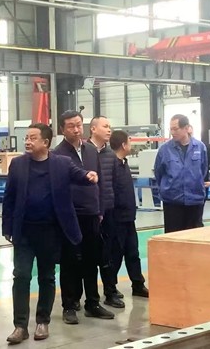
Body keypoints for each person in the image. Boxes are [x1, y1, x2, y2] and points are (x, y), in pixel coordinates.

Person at [2, 123, 99, 344]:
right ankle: (20, 326)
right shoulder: (18, 164)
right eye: (26, 138)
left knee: (47, 276)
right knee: (21, 276)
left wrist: (89, 176)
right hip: (24, 232)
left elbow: (79, 175)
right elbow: (9, 198)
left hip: (50, 232)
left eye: (32, 138)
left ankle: (42, 321)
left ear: (45, 142)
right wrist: (7, 227)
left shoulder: (61, 163)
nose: (27, 142)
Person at [54, 110, 115, 324]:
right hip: (71, 216)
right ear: (62, 129)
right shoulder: (58, 154)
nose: (76, 129)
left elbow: (100, 182)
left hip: (91, 214)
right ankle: (69, 305)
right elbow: (58, 188)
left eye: (79, 125)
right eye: (71, 126)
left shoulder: (90, 150)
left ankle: (92, 303)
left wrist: (100, 210)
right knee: (70, 262)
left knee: (91, 260)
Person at [87, 116, 124, 309]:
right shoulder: (84, 152)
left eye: (110, 126)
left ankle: (110, 291)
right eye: (105, 126)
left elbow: (115, 183)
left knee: (109, 254)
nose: (109, 130)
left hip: (108, 210)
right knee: (89, 255)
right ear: (93, 129)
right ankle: (86, 297)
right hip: (90, 212)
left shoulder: (111, 155)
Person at [107, 130, 149, 302]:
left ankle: (137, 284)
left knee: (133, 252)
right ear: (124, 145)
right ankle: (110, 289)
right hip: (117, 218)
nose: (131, 145)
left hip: (129, 217)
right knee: (115, 255)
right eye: (129, 142)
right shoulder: (113, 165)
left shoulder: (124, 163)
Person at [153, 114, 208, 233]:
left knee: (193, 237)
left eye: (175, 129)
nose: (172, 132)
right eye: (171, 129)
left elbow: (203, 170)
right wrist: (167, 189)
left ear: (186, 128)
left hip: (194, 201)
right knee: (173, 237)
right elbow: (158, 173)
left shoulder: (199, 147)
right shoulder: (165, 149)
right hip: (172, 202)